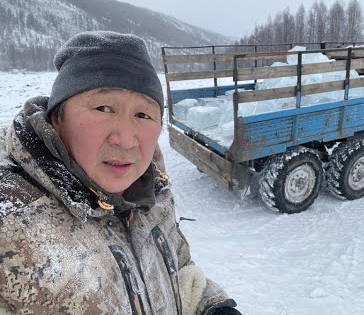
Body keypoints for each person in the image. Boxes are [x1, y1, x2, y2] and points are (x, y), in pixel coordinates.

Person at [0, 31, 242, 315]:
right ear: (57, 117)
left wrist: (212, 307)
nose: (126, 140)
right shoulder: (11, 223)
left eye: (143, 115)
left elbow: (178, 268)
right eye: (103, 108)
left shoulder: (150, 192)